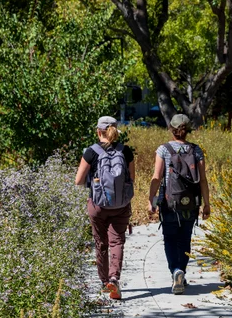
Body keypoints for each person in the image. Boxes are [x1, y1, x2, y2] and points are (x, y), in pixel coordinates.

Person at [147, 114, 210, 294]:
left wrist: (151, 200)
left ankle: (175, 270)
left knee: (170, 239)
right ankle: (181, 270)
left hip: (169, 202)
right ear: (187, 130)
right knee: (184, 239)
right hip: (190, 202)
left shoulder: (164, 150)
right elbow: (203, 180)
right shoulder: (196, 150)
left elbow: (156, 178)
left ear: (171, 129)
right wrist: (207, 204)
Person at [75, 116, 135, 300]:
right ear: (116, 131)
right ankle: (114, 278)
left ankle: (104, 282)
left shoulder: (90, 152)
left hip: (97, 205)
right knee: (117, 242)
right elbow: (131, 179)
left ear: (98, 131)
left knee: (101, 244)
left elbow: (78, 181)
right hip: (121, 205)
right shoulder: (126, 151)